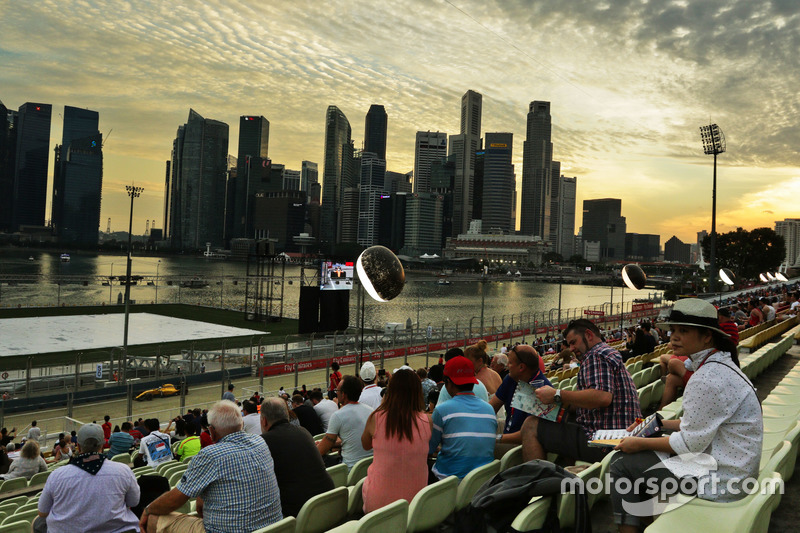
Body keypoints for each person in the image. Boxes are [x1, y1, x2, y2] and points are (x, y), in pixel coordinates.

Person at [609, 298, 761, 532]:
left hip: (720, 481)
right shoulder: (719, 365)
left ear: (707, 336)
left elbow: (689, 443)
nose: (674, 336)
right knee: (650, 448)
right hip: (734, 471)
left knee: (621, 464)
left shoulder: (706, 378)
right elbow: (703, 424)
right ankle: (650, 521)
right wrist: (657, 423)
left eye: (684, 331)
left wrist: (638, 443)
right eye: (673, 330)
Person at [139, 401, 282, 533]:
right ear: (241, 424)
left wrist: (147, 509)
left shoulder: (210, 454)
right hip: (272, 527)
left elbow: (174, 500)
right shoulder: (260, 442)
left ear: (212, 431)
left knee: (153, 518)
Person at [521, 318, 641, 464]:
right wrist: (558, 403)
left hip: (605, 443)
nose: (571, 348)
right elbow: (594, 401)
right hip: (621, 436)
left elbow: (603, 397)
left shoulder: (595, 355)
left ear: (589, 335)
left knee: (531, 425)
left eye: (573, 342)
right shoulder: (608, 352)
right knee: (561, 418)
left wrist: (557, 394)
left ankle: (535, 481)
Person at [36, 423, 140, 532]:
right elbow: (133, 502)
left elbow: (42, 512)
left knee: (37, 522)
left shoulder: (56, 475)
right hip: (119, 529)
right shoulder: (123, 471)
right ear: (102, 445)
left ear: (78, 446)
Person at [361, 367, 432, 513]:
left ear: (390, 391)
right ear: (417, 392)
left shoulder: (376, 417)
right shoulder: (427, 421)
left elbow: (365, 445)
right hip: (416, 506)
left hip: (378, 506)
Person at [261, 397, 334, 517]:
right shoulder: (303, 431)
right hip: (329, 503)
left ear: (264, 421)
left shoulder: (264, 442)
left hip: (302, 513)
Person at [429, 356, 497, 480]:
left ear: (448, 382)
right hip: (483, 481)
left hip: (449, 482)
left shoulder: (442, 410)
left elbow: (429, 448)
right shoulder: (489, 409)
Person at [489, 345, 552, 445]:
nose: (507, 366)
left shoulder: (541, 390)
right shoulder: (511, 378)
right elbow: (491, 408)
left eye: (510, 363)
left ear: (521, 367)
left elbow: (529, 434)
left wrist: (495, 438)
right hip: (508, 432)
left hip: (521, 445)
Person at [317, 375, 374, 469]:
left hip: (349, 468)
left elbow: (322, 450)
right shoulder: (371, 411)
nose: (336, 394)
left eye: (337, 391)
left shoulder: (338, 415)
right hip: (368, 465)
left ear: (343, 394)